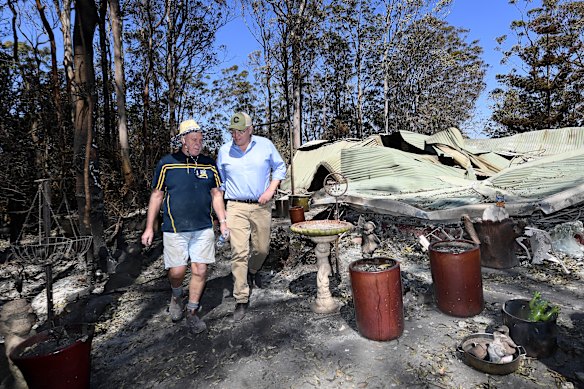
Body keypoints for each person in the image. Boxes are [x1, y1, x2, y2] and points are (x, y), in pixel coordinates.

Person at [141, 119, 228, 334]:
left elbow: (216, 194)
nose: (198, 143)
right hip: (174, 228)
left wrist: (223, 221)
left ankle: (192, 312)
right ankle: (177, 294)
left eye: (200, 139)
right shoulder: (167, 163)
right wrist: (149, 227)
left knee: (200, 269)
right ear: (183, 141)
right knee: (177, 271)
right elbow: (157, 195)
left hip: (203, 227)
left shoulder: (209, 164)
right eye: (193, 139)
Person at [216, 112, 287, 321]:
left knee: (262, 248)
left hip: (261, 205)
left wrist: (271, 190)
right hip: (235, 206)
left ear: (250, 129)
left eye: (239, 131)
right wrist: (220, 214)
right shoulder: (224, 151)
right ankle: (241, 297)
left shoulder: (265, 145)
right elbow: (220, 181)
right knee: (238, 252)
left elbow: (280, 167)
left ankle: (253, 270)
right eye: (232, 131)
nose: (235, 135)